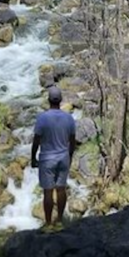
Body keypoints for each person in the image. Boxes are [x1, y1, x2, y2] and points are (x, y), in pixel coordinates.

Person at [30, 86, 76, 230]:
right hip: (63, 157)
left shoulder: (42, 118)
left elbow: (36, 140)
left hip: (47, 159)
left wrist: (33, 158)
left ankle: (49, 224)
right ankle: (60, 221)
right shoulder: (68, 118)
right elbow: (72, 140)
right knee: (61, 189)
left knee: (48, 192)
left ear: (48, 100)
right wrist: (70, 156)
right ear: (60, 100)